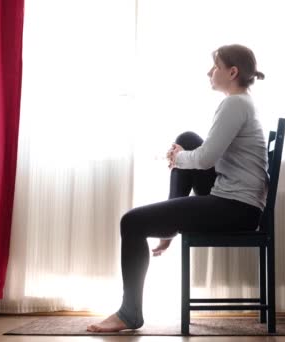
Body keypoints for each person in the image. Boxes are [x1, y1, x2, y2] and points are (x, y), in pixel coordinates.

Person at [87, 44, 268, 332]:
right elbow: (210, 154)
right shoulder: (243, 103)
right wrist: (183, 156)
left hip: (235, 209)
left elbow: (206, 157)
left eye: (215, 66)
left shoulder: (234, 105)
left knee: (131, 222)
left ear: (232, 72)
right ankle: (170, 226)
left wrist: (177, 158)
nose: (210, 72)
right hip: (238, 203)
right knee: (187, 137)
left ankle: (129, 313)